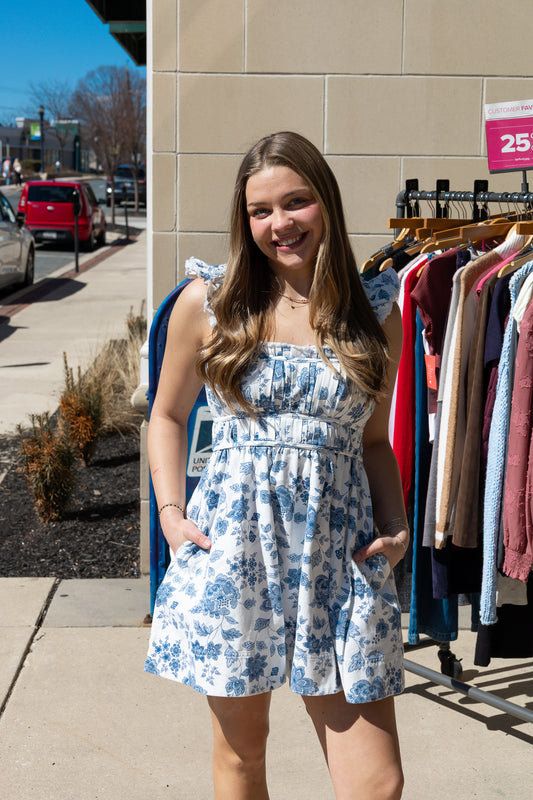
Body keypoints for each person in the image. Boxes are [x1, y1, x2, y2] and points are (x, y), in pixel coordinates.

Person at [145, 131, 408, 800]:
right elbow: (167, 417)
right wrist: (173, 516)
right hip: (233, 554)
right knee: (241, 758)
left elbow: (372, 442)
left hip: (340, 559)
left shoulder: (377, 312)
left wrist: (396, 526)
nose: (279, 224)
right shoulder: (209, 302)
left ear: (326, 203)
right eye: (260, 210)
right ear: (244, 219)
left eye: (296, 202)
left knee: (375, 783)